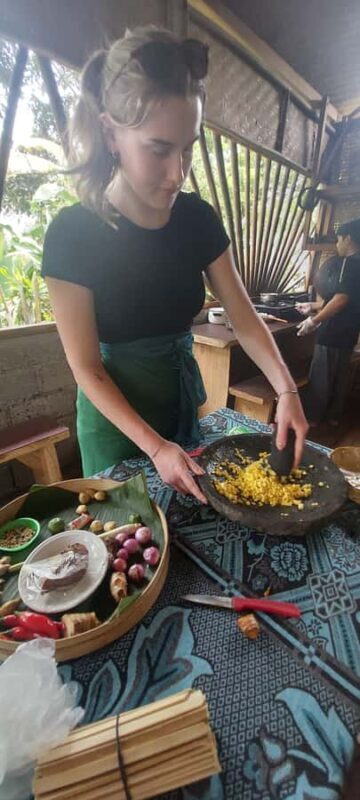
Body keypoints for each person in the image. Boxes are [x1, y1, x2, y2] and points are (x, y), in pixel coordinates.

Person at [41, 26, 308, 501]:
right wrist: (156, 447)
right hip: (115, 422)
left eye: (189, 147)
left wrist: (286, 390)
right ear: (110, 133)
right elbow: (86, 368)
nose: (178, 171)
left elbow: (244, 318)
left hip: (179, 403)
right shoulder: (73, 234)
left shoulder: (197, 219)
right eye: (159, 149)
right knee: (133, 542)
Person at [296, 218, 360, 425]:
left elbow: (341, 299)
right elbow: (344, 298)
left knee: (321, 378)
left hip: (333, 332)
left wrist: (313, 321)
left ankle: (312, 421)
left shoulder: (347, 264)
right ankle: (333, 419)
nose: (337, 244)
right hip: (350, 333)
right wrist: (313, 306)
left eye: (339, 239)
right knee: (340, 378)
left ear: (349, 238)